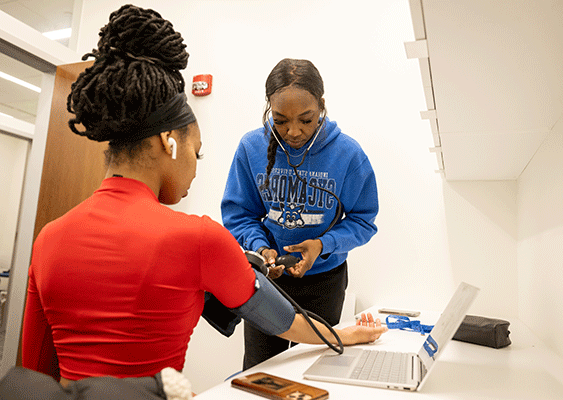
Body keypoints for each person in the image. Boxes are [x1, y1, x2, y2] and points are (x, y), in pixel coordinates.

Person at [21, 5, 386, 388]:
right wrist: (344, 335)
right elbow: (280, 320)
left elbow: (34, 377)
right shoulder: (200, 239)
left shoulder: (48, 239)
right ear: (169, 142)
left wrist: (323, 246)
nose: (196, 168)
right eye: (198, 152)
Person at [221, 58, 379, 370]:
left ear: (321, 105)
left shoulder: (348, 154)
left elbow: (363, 221)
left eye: (306, 120)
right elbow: (239, 213)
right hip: (269, 279)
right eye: (280, 121)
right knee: (260, 370)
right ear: (269, 109)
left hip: (325, 281)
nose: (294, 131)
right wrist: (261, 248)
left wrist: (322, 245)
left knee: (316, 366)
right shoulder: (251, 147)